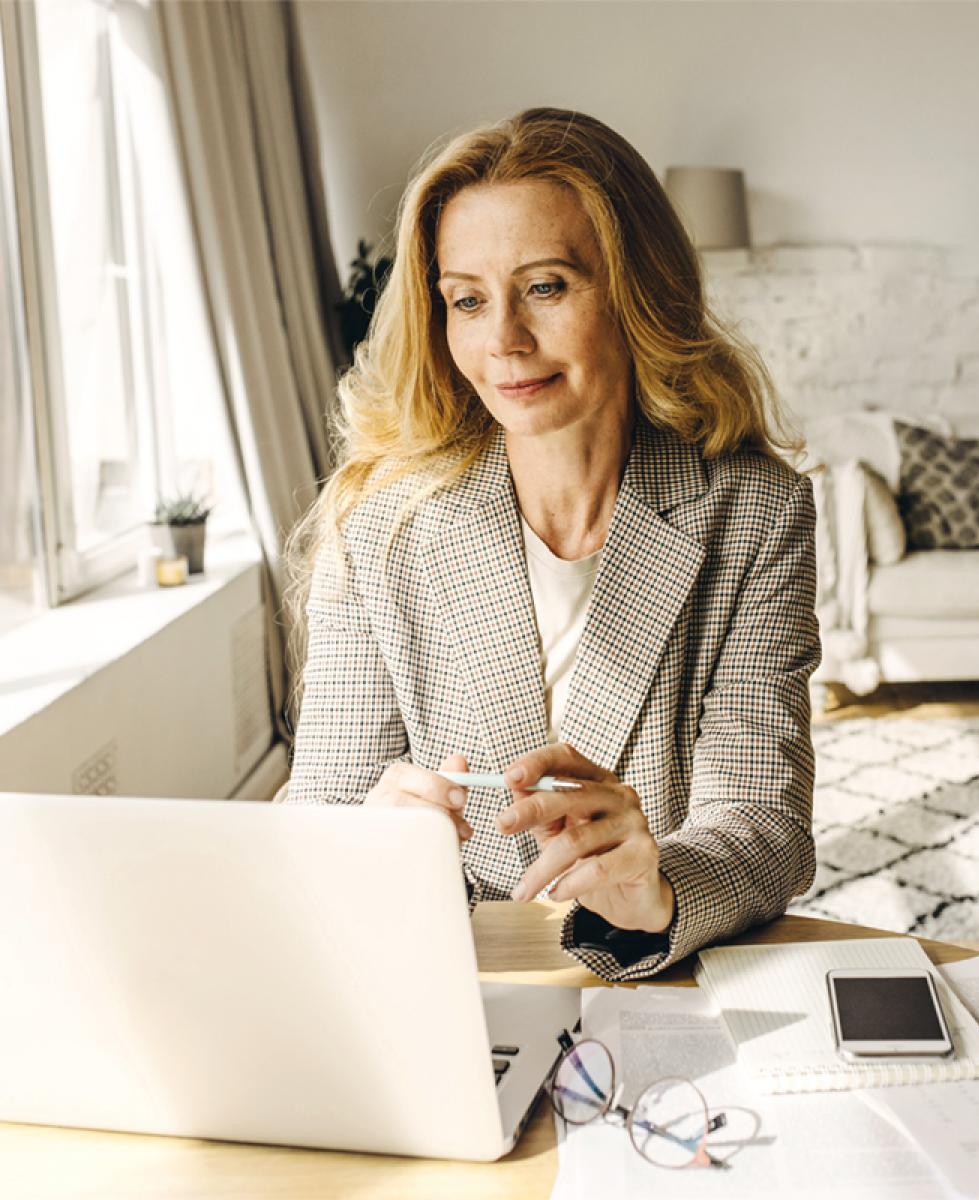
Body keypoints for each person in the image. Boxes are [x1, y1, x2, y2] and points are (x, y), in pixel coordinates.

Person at [284, 107, 821, 982]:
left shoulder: (754, 513)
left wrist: (657, 889)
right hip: (443, 977)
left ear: (634, 291)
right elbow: (324, 810)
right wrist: (368, 842)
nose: (503, 341)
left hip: (663, 976)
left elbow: (763, 825)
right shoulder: (379, 523)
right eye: (467, 300)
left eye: (546, 286)